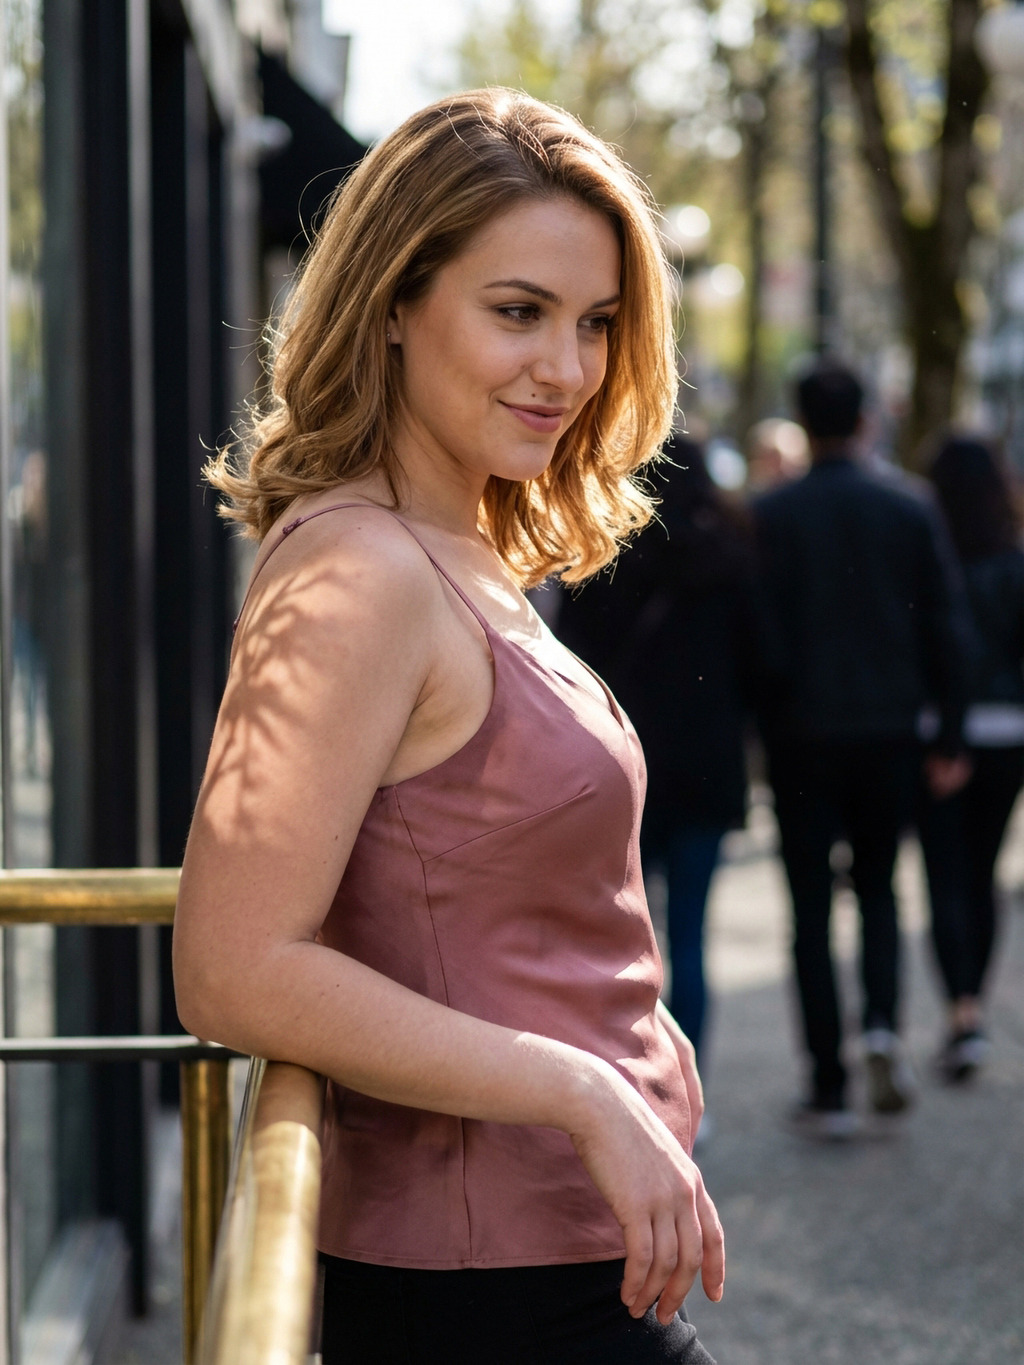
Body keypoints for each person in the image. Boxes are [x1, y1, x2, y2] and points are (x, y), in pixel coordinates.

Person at [172, 89, 723, 1364]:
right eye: (517, 312)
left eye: (594, 325)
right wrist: (583, 1088)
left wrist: (632, 1045)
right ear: (395, 304)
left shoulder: (459, 543)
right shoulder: (357, 575)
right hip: (489, 1298)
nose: (568, 369)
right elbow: (231, 965)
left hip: (565, 1261)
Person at [752, 359, 970, 1139]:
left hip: (802, 736)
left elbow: (760, 635)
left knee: (809, 909)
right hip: (887, 732)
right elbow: (946, 625)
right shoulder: (907, 510)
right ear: (867, 419)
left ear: (804, 424)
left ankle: (828, 1082)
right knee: (879, 888)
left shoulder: (772, 515)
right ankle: (880, 1023)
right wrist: (949, 731)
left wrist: (762, 723)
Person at [557, 435, 764, 1076]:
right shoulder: (731, 558)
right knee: (693, 935)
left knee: (621, 940)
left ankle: (627, 1077)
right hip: (707, 766)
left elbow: (566, 658)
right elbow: (764, 664)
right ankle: (688, 1089)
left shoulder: (601, 556)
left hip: (622, 773)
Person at [918, 433, 1024, 1082]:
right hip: (1009, 732)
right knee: (983, 873)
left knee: (944, 875)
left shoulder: (932, 559)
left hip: (936, 733)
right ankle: (973, 1006)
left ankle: (959, 1009)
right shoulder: (1015, 564)